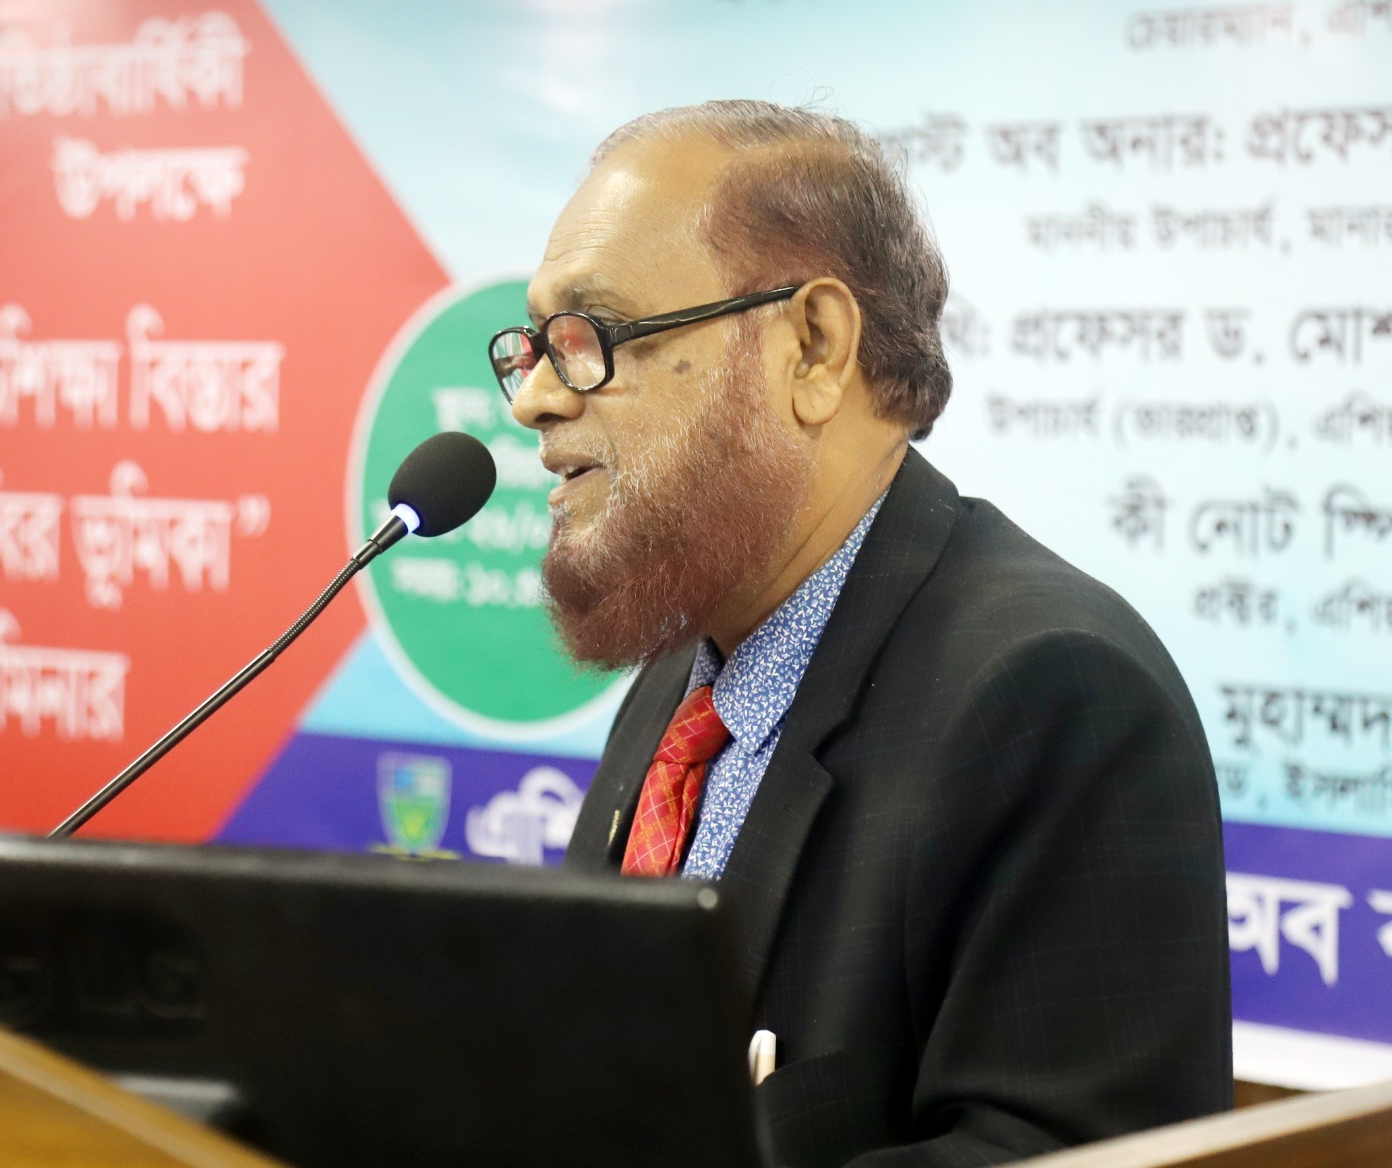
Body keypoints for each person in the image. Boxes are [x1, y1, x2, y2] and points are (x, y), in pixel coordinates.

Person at [490, 100, 1231, 1167]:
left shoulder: (1053, 694)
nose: (534, 399)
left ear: (813, 348)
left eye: (592, 337)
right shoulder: (683, 676)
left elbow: (1060, 1150)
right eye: (533, 346)